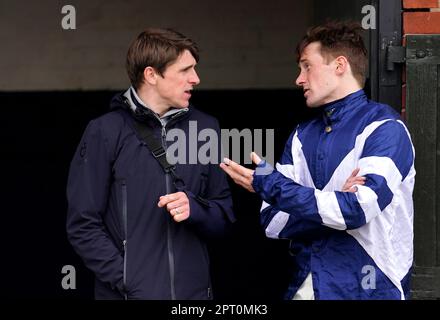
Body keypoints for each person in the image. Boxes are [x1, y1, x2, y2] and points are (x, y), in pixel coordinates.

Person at [220, 21, 415, 300]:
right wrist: (335, 204)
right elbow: (273, 221)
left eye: (306, 66)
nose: (298, 79)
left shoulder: (386, 129)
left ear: (339, 65)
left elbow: (358, 209)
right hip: (308, 287)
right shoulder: (301, 135)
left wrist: (273, 186)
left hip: (372, 290)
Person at [66, 28, 235, 300]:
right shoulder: (104, 131)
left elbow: (224, 216)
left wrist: (196, 209)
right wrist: (126, 278)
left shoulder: (206, 128)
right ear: (151, 75)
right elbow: (82, 224)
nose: (196, 79)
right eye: (185, 70)